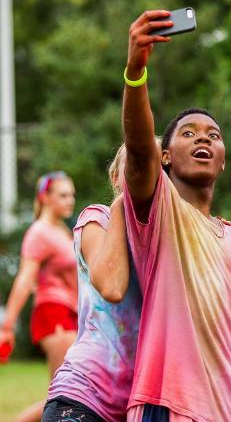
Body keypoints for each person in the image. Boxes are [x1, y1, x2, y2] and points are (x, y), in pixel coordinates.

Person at [121, 10, 231, 421]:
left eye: (214, 135)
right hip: (170, 403)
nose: (204, 139)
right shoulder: (161, 212)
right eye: (189, 133)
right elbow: (139, 150)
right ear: (165, 157)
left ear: (224, 161)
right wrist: (136, 72)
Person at [42, 144, 141, 422]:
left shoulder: (165, 242)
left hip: (132, 408)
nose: (144, 172)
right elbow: (111, 286)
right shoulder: (98, 218)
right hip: (84, 398)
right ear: (115, 178)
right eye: (134, 164)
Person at [0, 171, 76, 422]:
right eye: (63, 195)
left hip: (71, 312)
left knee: (70, 393)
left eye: (72, 195)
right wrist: (7, 326)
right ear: (45, 197)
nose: (70, 200)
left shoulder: (62, 231)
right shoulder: (39, 232)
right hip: (53, 311)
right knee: (64, 394)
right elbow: (24, 279)